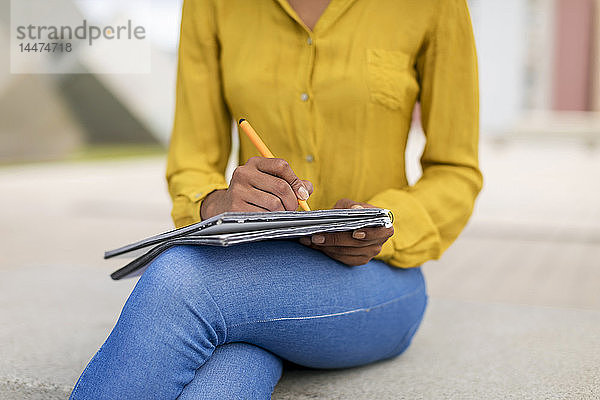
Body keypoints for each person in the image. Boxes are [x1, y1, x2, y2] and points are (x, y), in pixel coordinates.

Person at [70, 0, 482, 398]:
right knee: (224, 381)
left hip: (376, 281)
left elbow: (456, 170)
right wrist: (218, 201)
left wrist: (385, 220)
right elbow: (191, 163)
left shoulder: (435, 4)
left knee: (181, 278)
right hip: (255, 279)